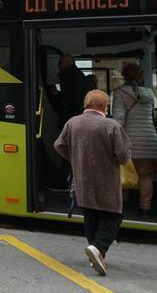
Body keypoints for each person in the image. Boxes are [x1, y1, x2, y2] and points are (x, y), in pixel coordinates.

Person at [54, 90, 132, 276]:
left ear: (85, 104)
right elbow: (123, 155)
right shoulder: (111, 126)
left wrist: (74, 158)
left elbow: (59, 145)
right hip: (106, 180)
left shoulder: (72, 122)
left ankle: (96, 252)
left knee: (91, 213)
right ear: (105, 106)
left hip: (82, 177)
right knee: (113, 215)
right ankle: (98, 248)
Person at [111, 62, 157, 216]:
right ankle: (144, 208)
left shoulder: (120, 93)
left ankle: (122, 206)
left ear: (124, 75)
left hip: (128, 141)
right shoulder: (149, 93)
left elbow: (118, 120)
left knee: (124, 174)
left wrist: (113, 141)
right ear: (140, 75)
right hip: (148, 140)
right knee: (145, 176)